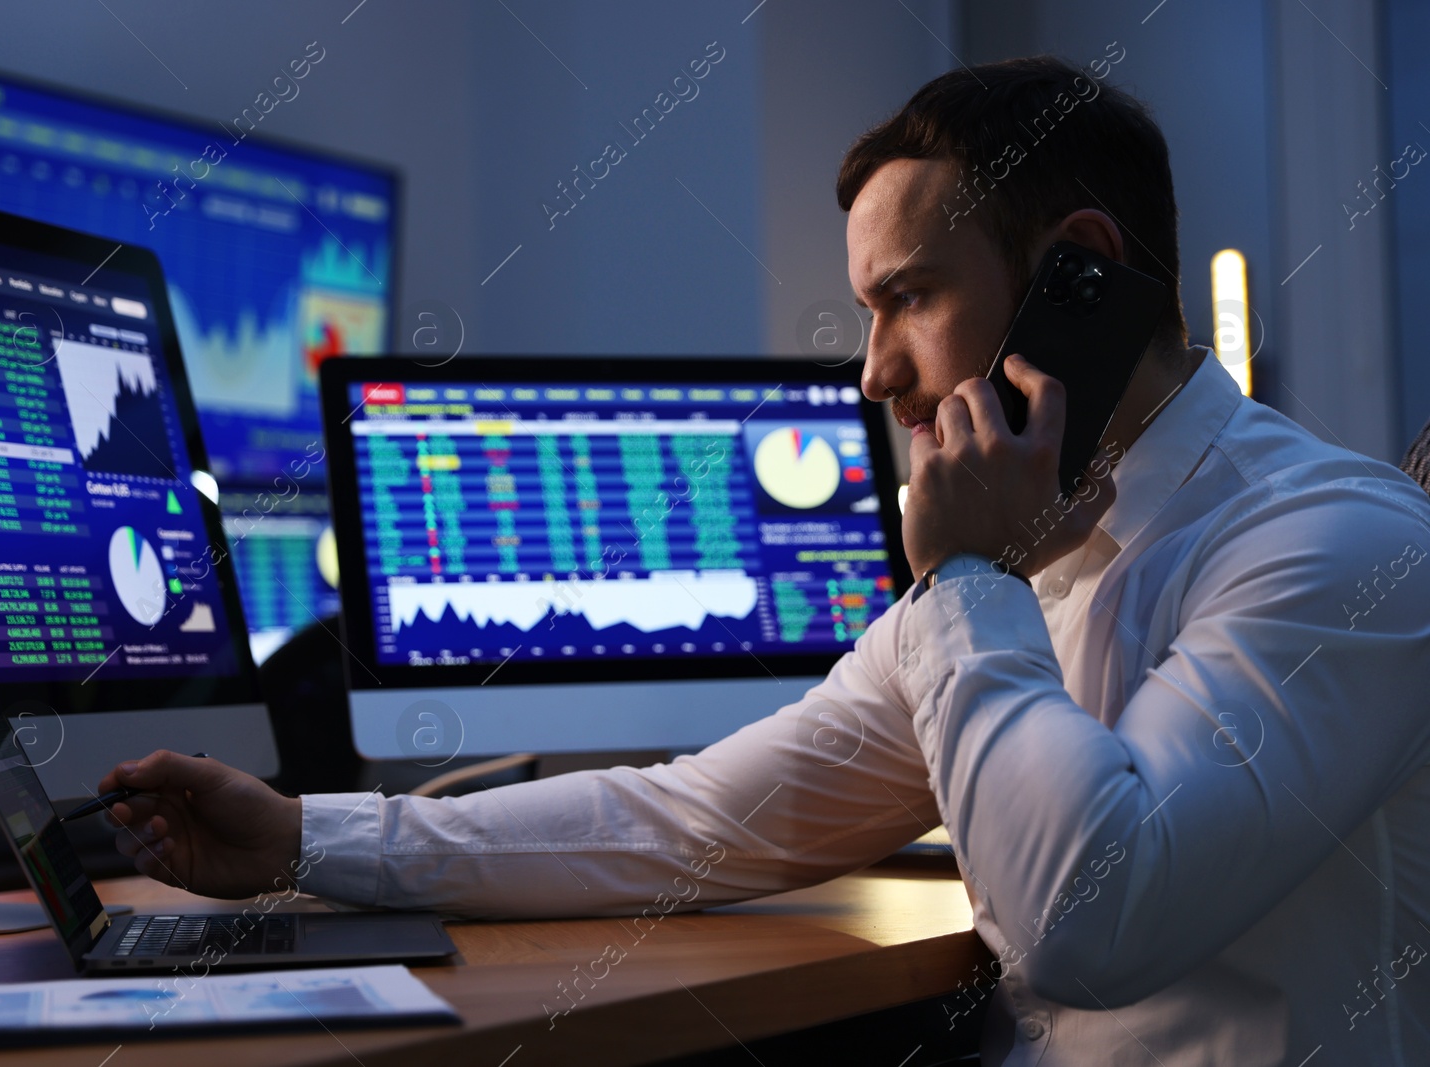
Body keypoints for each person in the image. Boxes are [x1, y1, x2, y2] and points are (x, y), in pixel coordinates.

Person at [99, 57, 1430, 1065]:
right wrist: (304, 838)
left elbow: (1093, 921)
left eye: (908, 296)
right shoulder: (1012, 559)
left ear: (1076, 271)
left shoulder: (1336, 546)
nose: (874, 372)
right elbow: (690, 823)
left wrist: (967, 580)